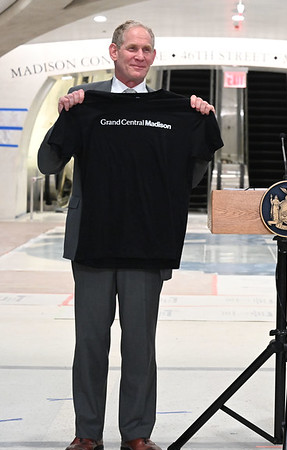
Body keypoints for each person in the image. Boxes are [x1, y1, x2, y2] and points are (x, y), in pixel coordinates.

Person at [37, 20, 221, 450]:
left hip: (146, 243)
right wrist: (63, 113)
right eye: (132, 48)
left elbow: (190, 177)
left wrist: (198, 120)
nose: (140, 56)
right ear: (113, 51)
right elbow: (48, 164)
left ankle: (137, 434)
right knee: (90, 344)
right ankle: (87, 434)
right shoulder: (86, 103)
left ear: (154, 57)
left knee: (141, 346)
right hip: (93, 243)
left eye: (147, 50)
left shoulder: (173, 110)